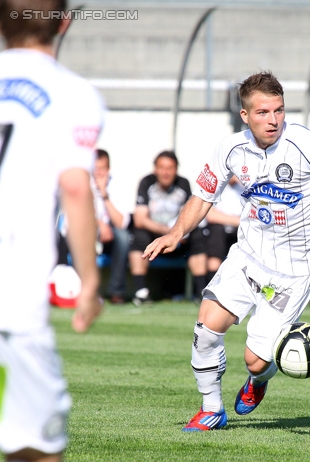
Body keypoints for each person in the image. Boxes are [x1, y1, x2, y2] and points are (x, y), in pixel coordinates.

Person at [142, 71, 310, 431]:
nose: (273, 120)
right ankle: (212, 409)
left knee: (254, 362)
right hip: (248, 257)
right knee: (205, 329)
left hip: (295, 272)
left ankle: (259, 381)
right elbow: (203, 196)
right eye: (263, 113)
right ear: (245, 115)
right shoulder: (231, 149)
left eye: (279, 110)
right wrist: (176, 232)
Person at [0, 1, 104, 461]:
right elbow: (76, 189)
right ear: (65, 22)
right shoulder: (72, 94)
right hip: (14, 301)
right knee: (36, 448)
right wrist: (90, 280)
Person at [128, 150, 208, 305]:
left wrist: (179, 233)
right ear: (155, 169)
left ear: (176, 169)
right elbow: (140, 219)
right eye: (162, 168)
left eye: (170, 168)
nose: (165, 172)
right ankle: (141, 292)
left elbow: (189, 213)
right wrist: (167, 232)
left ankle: (200, 292)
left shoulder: (183, 184)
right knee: (138, 234)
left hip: (178, 236)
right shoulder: (146, 183)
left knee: (197, 235)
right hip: (154, 235)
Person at [92, 148, 130, 304]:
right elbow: (79, 215)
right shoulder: (83, 182)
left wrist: (103, 193)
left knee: (123, 237)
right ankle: (90, 291)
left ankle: (116, 292)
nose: (99, 173)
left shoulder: (117, 185)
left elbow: (121, 222)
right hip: (91, 232)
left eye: (102, 168)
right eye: (95, 168)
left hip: (111, 236)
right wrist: (100, 224)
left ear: (108, 169)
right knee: (86, 234)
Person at [203, 175, 242, 283]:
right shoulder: (215, 187)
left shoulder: (246, 189)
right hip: (219, 232)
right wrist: (240, 221)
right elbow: (211, 216)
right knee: (216, 231)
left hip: (240, 232)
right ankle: (210, 285)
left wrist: (242, 182)